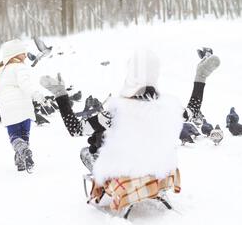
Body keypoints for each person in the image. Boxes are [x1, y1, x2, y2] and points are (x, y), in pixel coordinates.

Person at [40, 47, 220, 173]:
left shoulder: (116, 111)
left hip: (124, 173)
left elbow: (75, 129)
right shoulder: (167, 108)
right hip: (158, 170)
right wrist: (200, 77)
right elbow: (193, 110)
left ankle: (103, 181)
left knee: (89, 150)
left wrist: (61, 94)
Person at [0, 39, 45, 172]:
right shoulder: (19, 67)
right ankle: (23, 154)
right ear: (14, 55)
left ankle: (21, 159)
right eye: (23, 53)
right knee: (24, 135)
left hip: (8, 111)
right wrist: (35, 94)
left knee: (15, 136)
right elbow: (25, 84)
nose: (26, 56)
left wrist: (4, 105)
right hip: (23, 108)